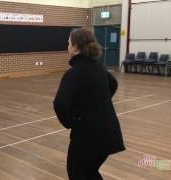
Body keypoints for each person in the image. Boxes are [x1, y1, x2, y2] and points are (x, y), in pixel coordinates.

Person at [53, 28, 125, 180]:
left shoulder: (73, 73)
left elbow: (60, 104)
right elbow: (113, 84)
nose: (67, 47)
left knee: (77, 173)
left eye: (68, 43)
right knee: (90, 172)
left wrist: (72, 123)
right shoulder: (98, 67)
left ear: (76, 46)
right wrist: (97, 104)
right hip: (109, 134)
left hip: (88, 137)